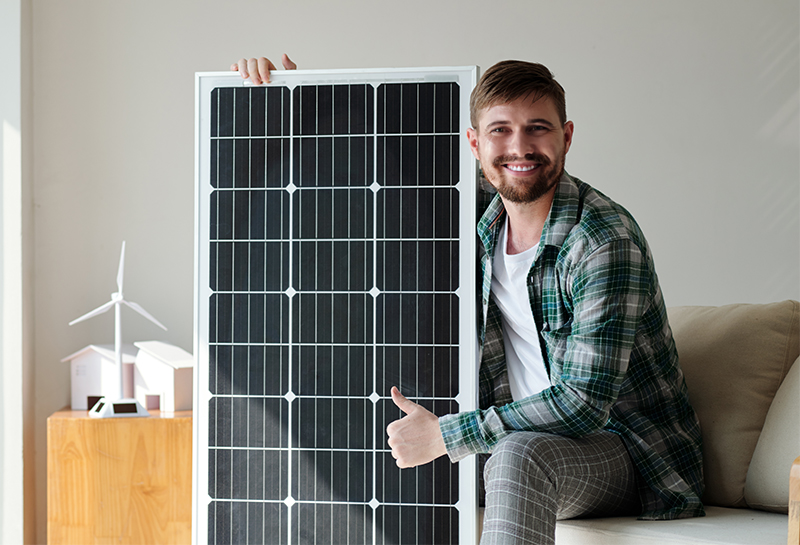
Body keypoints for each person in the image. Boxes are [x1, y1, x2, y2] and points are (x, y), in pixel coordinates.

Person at [232, 56, 705, 545]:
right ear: (475, 143)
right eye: (500, 130)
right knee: (373, 440)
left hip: (624, 453)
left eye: (537, 128)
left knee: (516, 453)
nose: (519, 147)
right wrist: (296, 95)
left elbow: (582, 404)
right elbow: (373, 177)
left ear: (566, 137)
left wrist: (448, 435)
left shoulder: (602, 241)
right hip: (513, 439)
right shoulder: (476, 213)